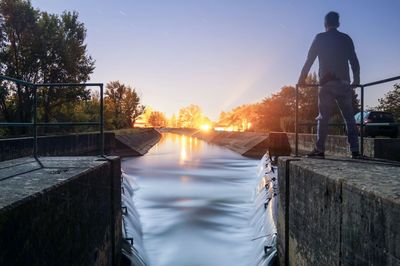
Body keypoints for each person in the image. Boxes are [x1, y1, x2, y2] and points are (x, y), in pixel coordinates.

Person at [298, 11, 361, 159]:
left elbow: (309, 60)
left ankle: (319, 150)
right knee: (349, 118)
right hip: (344, 83)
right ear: (338, 24)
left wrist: (302, 79)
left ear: (325, 24)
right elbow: (354, 61)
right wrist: (356, 80)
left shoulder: (319, 38)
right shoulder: (346, 39)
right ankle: (355, 150)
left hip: (326, 84)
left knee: (323, 117)